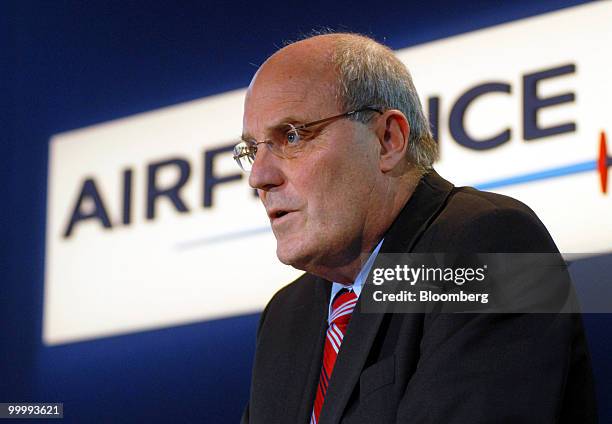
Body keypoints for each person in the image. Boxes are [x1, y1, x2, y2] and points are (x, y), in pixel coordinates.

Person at [235, 33, 597, 423]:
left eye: (291, 136)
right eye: (253, 150)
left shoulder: (491, 245)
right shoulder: (287, 316)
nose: (259, 176)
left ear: (388, 139)